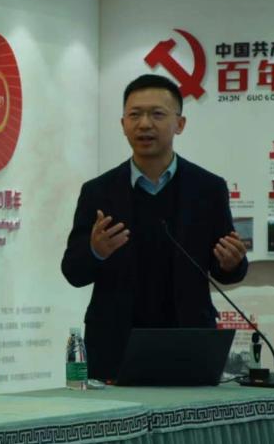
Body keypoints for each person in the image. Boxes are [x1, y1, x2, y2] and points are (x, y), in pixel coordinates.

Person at [61, 74, 248, 380]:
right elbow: (73, 271)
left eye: (157, 114)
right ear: (123, 124)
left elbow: (226, 269)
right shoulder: (98, 191)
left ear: (180, 124)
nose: (144, 124)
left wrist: (232, 262)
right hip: (114, 344)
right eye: (134, 115)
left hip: (190, 341)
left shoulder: (208, 189)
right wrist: (95, 251)